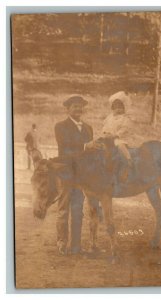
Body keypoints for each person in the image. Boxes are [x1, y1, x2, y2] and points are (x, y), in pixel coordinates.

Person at [54, 94, 101, 255]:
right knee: (63, 210)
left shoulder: (89, 128)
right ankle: (62, 243)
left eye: (80, 106)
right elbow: (66, 147)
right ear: (68, 109)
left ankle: (75, 246)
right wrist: (85, 146)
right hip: (66, 174)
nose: (78, 109)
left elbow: (91, 154)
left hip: (82, 177)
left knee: (77, 209)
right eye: (75, 106)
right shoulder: (60, 126)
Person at [102, 91, 133, 168]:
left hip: (121, 138)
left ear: (124, 108)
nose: (118, 109)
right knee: (100, 144)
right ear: (112, 108)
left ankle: (128, 159)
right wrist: (105, 133)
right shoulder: (109, 117)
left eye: (120, 107)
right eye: (116, 107)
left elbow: (125, 128)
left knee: (119, 144)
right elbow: (105, 126)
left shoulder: (125, 118)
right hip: (109, 137)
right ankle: (103, 160)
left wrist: (116, 135)